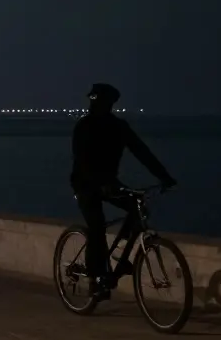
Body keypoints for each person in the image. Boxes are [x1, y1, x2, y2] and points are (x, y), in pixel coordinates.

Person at [70, 83, 177, 299]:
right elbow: (82, 160)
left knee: (138, 209)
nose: (94, 105)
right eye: (93, 100)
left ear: (109, 104)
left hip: (110, 182)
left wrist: (165, 177)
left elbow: (141, 152)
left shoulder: (118, 127)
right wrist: (98, 183)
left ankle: (121, 256)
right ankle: (94, 278)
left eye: (99, 101)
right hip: (85, 184)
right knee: (97, 227)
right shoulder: (84, 126)